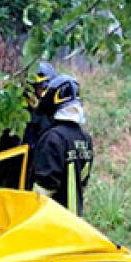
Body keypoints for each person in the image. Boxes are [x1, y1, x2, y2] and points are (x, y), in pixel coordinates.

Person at [30, 74, 94, 217]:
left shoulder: (52, 139)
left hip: (52, 222)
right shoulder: (85, 139)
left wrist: (28, 210)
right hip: (74, 221)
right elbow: (83, 178)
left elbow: (44, 187)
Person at [0, 61, 58, 155]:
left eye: (48, 89)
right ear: (29, 89)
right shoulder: (10, 114)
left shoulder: (55, 114)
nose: (44, 95)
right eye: (41, 89)